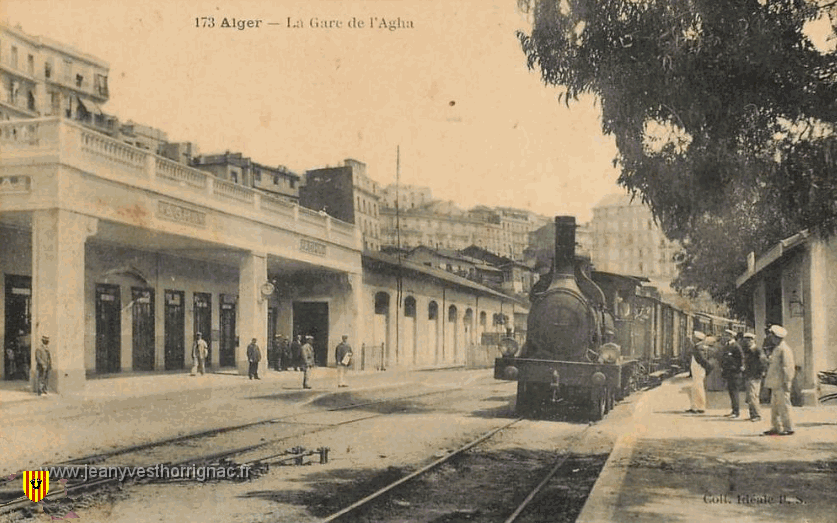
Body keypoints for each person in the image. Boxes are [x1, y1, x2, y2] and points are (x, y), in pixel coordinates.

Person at [763, 325, 795, 436]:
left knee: (784, 406)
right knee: (775, 408)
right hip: (775, 383)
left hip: (782, 383)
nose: (770, 338)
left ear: (777, 337)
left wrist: (787, 381)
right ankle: (776, 427)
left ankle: (788, 427)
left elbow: (788, 367)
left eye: (772, 336)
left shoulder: (784, 349)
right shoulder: (778, 348)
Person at [741, 332, 767, 422]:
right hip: (749, 375)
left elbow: (763, 363)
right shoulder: (748, 351)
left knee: (753, 396)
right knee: (749, 396)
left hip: (755, 376)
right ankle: (752, 414)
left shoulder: (757, 350)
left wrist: (760, 373)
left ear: (753, 340)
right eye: (746, 340)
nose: (747, 342)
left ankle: (757, 415)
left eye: (749, 340)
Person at [720, 331, 745, 418]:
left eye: (726, 335)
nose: (725, 336)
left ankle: (736, 412)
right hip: (729, 372)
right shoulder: (727, 345)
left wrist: (738, 368)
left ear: (731, 336)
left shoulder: (736, 346)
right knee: (731, 392)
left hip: (735, 373)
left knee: (734, 392)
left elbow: (741, 358)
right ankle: (734, 410)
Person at [686, 331, 712, 413]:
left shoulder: (698, 347)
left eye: (693, 337)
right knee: (696, 388)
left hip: (698, 369)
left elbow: (702, 360)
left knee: (698, 388)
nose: (692, 338)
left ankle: (700, 407)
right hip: (698, 369)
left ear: (697, 339)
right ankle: (695, 406)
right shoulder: (700, 346)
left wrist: (707, 367)